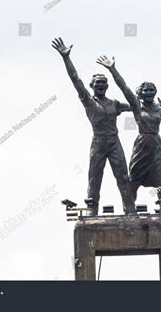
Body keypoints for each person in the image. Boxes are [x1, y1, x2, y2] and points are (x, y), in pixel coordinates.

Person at [52, 38, 136, 216]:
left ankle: (130, 209)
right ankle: (92, 210)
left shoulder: (114, 103)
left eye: (103, 83)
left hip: (114, 142)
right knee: (94, 178)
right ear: (92, 86)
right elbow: (75, 80)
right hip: (98, 142)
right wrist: (66, 58)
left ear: (107, 86)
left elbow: (136, 105)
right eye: (97, 82)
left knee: (123, 176)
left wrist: (112, 69)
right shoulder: (88, 101)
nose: (100, 85)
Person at [96, 55, 161, 213]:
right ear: (140, 93)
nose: (149, 92)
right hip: (142, 143)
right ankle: (129, 207)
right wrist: (112, 69)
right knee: (134, 176)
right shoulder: (137, 106)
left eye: (152, 90)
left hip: (156, 145)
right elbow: (124, 88)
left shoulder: (159, 110)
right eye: (146, 90)